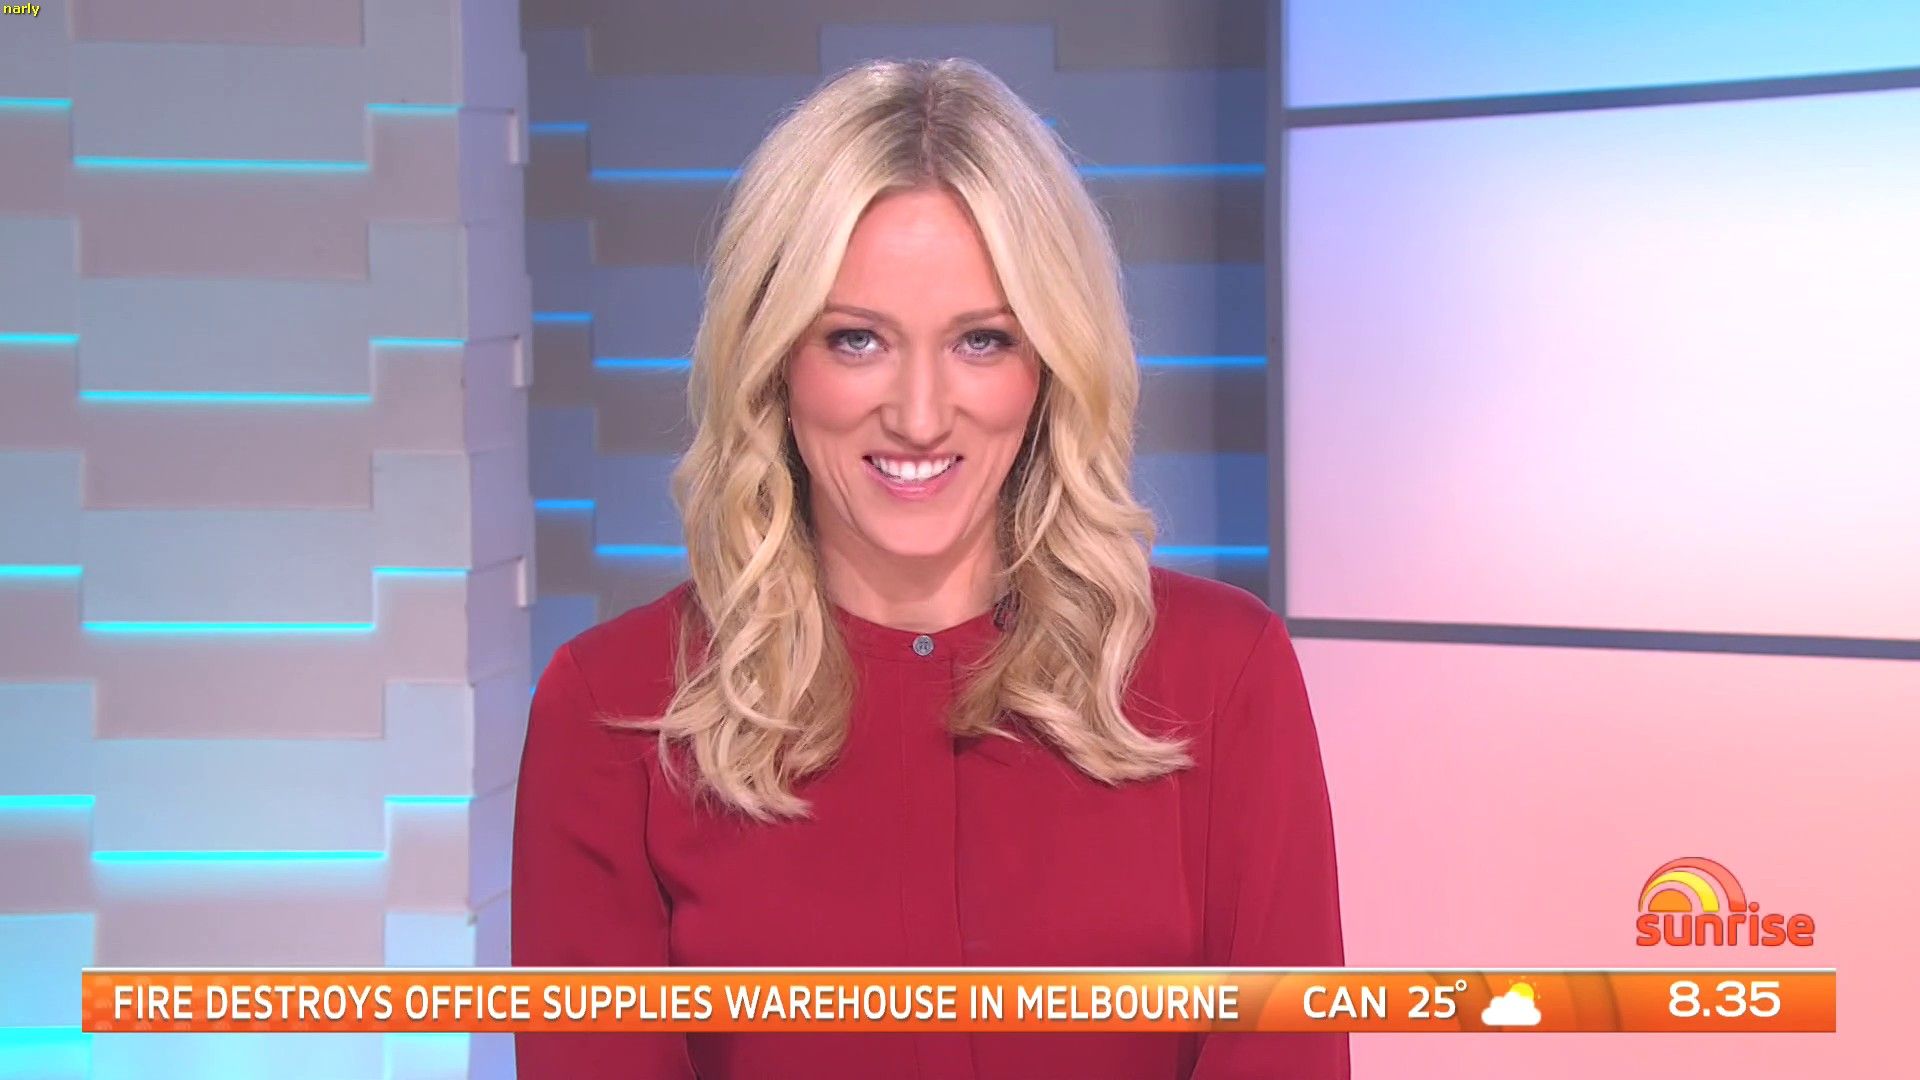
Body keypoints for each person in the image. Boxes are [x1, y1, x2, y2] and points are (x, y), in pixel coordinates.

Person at [511, 56, 1348, 1079]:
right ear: (774, 361)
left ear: (1049, 367)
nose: (918, 415)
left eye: (981, 342)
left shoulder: (1220, 677)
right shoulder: (614, 712)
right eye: (857, 340)